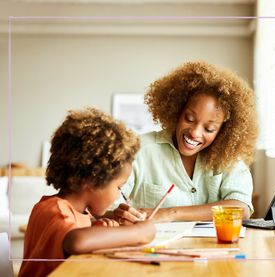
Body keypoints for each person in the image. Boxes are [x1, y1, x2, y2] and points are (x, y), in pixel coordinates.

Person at [112, 61, 258, 223]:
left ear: (224, 131)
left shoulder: (228, 158)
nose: (195, 133)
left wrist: (171, 213)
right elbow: (109, 205)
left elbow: (241, 208)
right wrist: (120, 214)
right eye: (189, 119)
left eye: (209, 129)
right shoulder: (140, 149)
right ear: (177, 111)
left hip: (213, 248)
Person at [19, 108, 155, 277]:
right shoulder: (55, 212)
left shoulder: (71, 210)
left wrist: (107, 221)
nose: (119, 195)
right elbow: (77, 241)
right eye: (119, 187)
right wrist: (139, 233)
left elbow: (77, 234)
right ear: (93, 180)